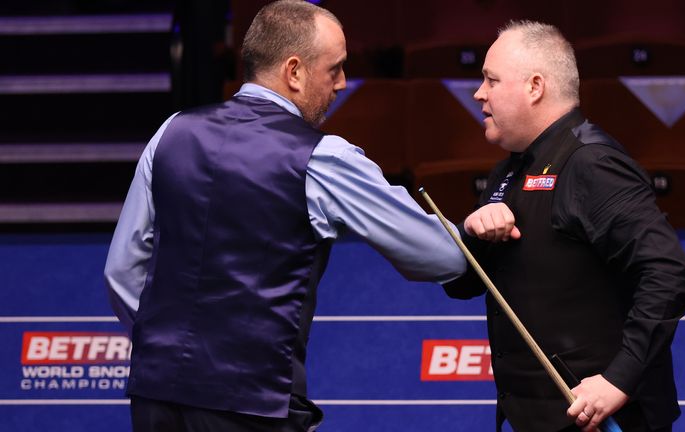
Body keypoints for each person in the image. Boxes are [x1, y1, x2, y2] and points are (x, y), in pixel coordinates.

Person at [103, 1, 467, 431]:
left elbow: (122, 271)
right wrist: (478, 231)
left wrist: (165, 347)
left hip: (155, 397)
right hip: (253, 401)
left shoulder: (171, 130)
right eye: (335, 69)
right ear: (294, 71)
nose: (343, 84)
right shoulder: (322, 157)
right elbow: (442, 257)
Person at [442, 20, 685, 432]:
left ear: (534, 87)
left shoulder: (592, 163)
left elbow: (670, 274)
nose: (479, 93)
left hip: (606, 421)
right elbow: (461, 285)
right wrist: (470, 232)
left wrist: (619, 379)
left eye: (490, 80)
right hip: (536, 419)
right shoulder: (506, 172)